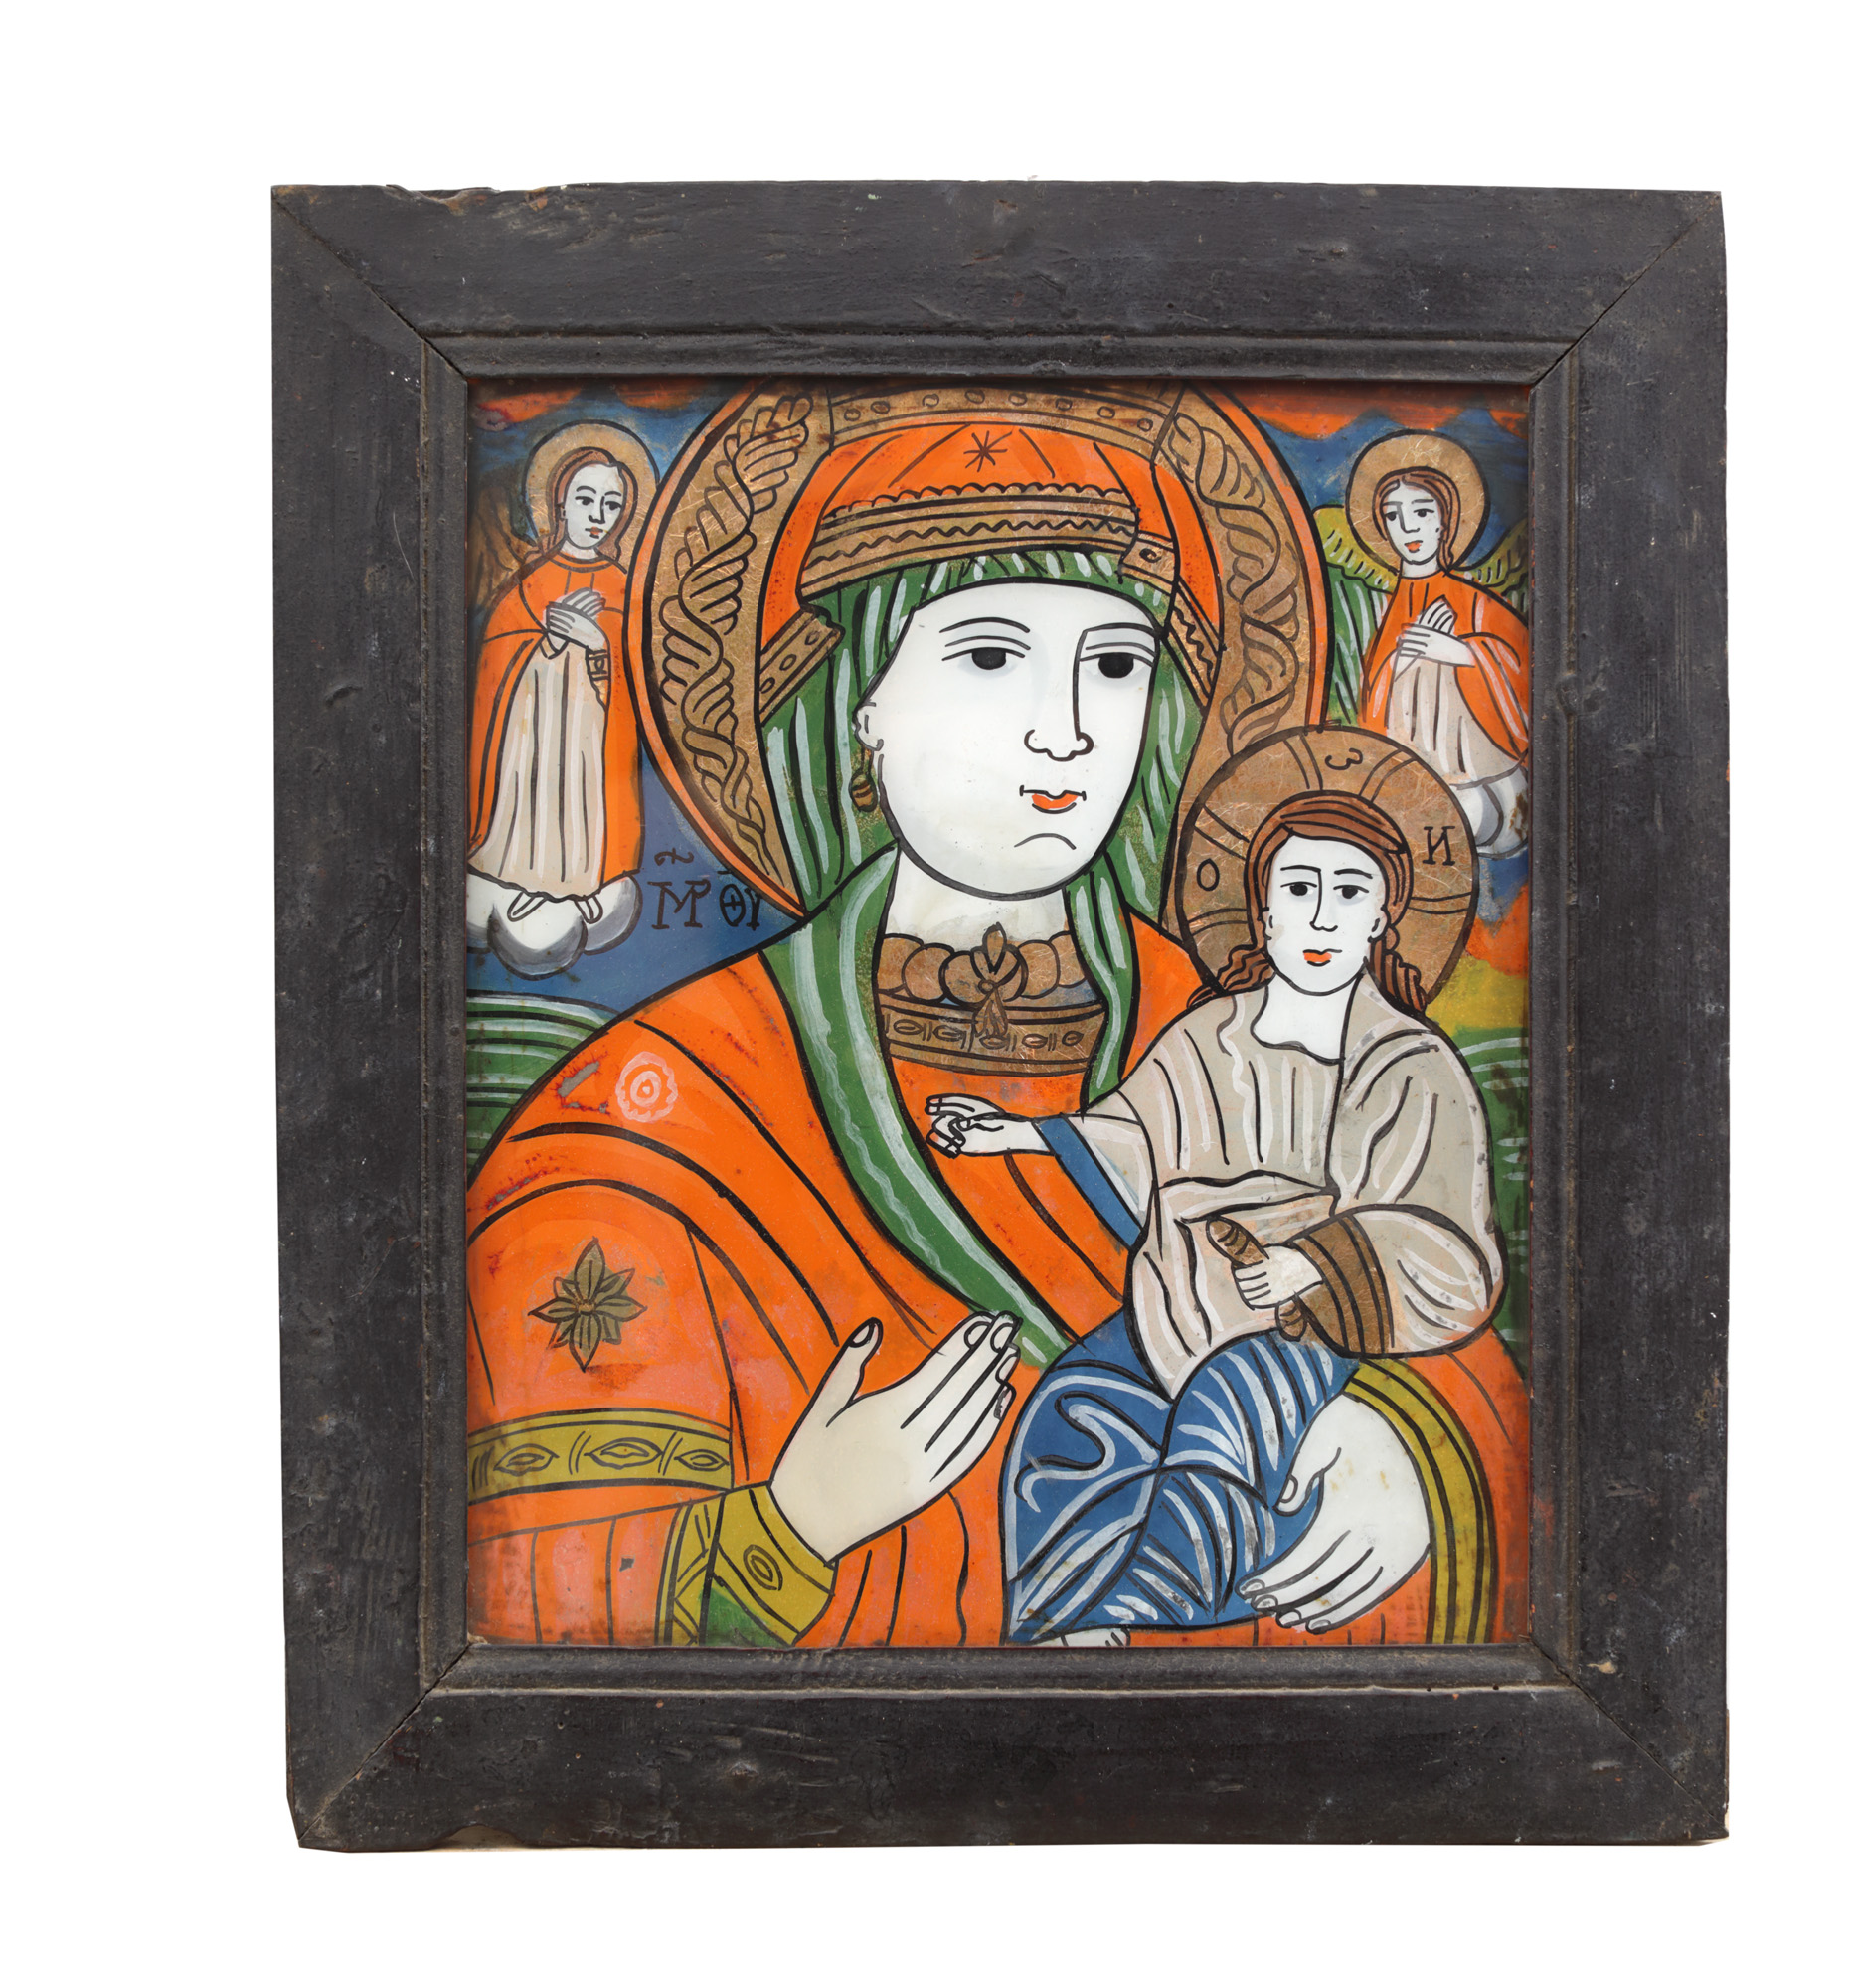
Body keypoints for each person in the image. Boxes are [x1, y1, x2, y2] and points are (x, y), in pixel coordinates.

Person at [464, 380, 1525, 1648]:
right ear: (863, 702)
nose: (1062, 732)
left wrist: (1406, 1450)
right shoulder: (669, 1099)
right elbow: (528, 1592)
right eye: (986, 656)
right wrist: (792, 1522)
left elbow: (1469, 1338)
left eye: (1115, 665)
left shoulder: (1243, 1029)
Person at [926, 785, 1504, 1642]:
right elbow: (1133, 1135)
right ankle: (1055, 1626)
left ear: (1383, 919)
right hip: (1181, 1300)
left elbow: (1439, 1232)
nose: (1321, 916)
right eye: (1299, 888)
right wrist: (1021, 1133)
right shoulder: (1207, 1036)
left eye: (1350, 892)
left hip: (1313, 1325)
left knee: (1226, 1412)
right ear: (1264, 914)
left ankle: (1136, 1608)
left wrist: (1311, 1264)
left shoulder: (1406, 1063)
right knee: (1068, 1407)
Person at [467, 427, 652, 975]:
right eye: (586, 499)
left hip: (592, 733)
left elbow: (635, 680)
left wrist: (596, 645)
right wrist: (546, 642)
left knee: (582, 799)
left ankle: (579, 882)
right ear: (559, 503)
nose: (599, 515)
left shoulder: (623, 586)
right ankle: (525, 879)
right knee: (537, 795)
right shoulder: (528, 582)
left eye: (612, 504)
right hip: (533, 726)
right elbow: (497, 660)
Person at [1349, 432, 1531, 857]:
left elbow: (1522, 672)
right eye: (1392, 516)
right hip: (1412, 789)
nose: (1408, 527)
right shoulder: (1389, 614)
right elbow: (1372, 713)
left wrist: (1463, 654)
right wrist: (1402, 662)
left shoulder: (1478, 605)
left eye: (1421, 511)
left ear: (1443, 520)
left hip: (1488, 786)